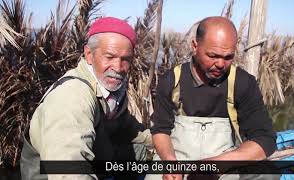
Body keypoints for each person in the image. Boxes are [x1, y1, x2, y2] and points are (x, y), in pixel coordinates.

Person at [20, 17, 152, 180]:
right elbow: (69, 172)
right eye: (109, 57)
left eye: (125, 60)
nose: (118, 68)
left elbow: (126, 127)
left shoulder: (110, 89)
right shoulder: (72, 97)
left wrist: (164, 141)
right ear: (89, 54)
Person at [145, 16, 277, 180]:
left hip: (224, 164)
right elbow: (160, 130)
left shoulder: (243, 83)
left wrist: (215, 166)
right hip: (177, 162)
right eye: (213, 55)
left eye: (228, 57)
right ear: (195, 46)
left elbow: (265, 139)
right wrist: (169, 161)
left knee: (268, 173)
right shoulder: (171, 80)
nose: (221, 64)